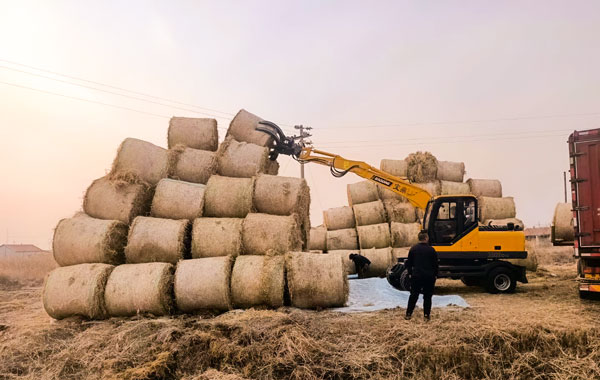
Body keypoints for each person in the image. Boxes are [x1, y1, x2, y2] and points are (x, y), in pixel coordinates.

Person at [404, 230, 438, 321]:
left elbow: (409, 263)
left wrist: (410, 274)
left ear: (419, 238)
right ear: (426, 238)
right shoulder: (431, 250)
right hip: (428, 276)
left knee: (414, 295)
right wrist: (435, 275)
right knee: (427, 296)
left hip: (417, 276)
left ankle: (408, 314)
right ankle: (426, 315)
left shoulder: (413, 249)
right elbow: (435, 264)